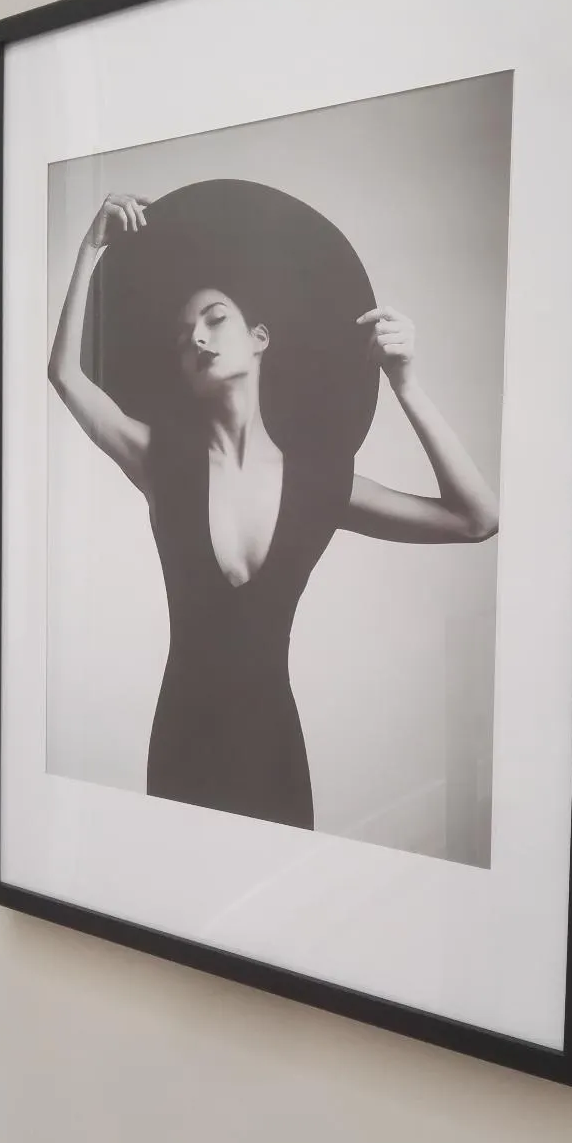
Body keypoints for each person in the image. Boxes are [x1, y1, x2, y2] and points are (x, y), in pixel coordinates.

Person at [48, 183, 499, 830]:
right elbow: (65, 374)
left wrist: (406, 383)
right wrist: (90, 248)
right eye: (182, 337)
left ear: (259, 337)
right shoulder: (159, 461)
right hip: (181, 746)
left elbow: (477, 519)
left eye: (214, 319)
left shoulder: (318, 482)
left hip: (275, 751)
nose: (197, 337)